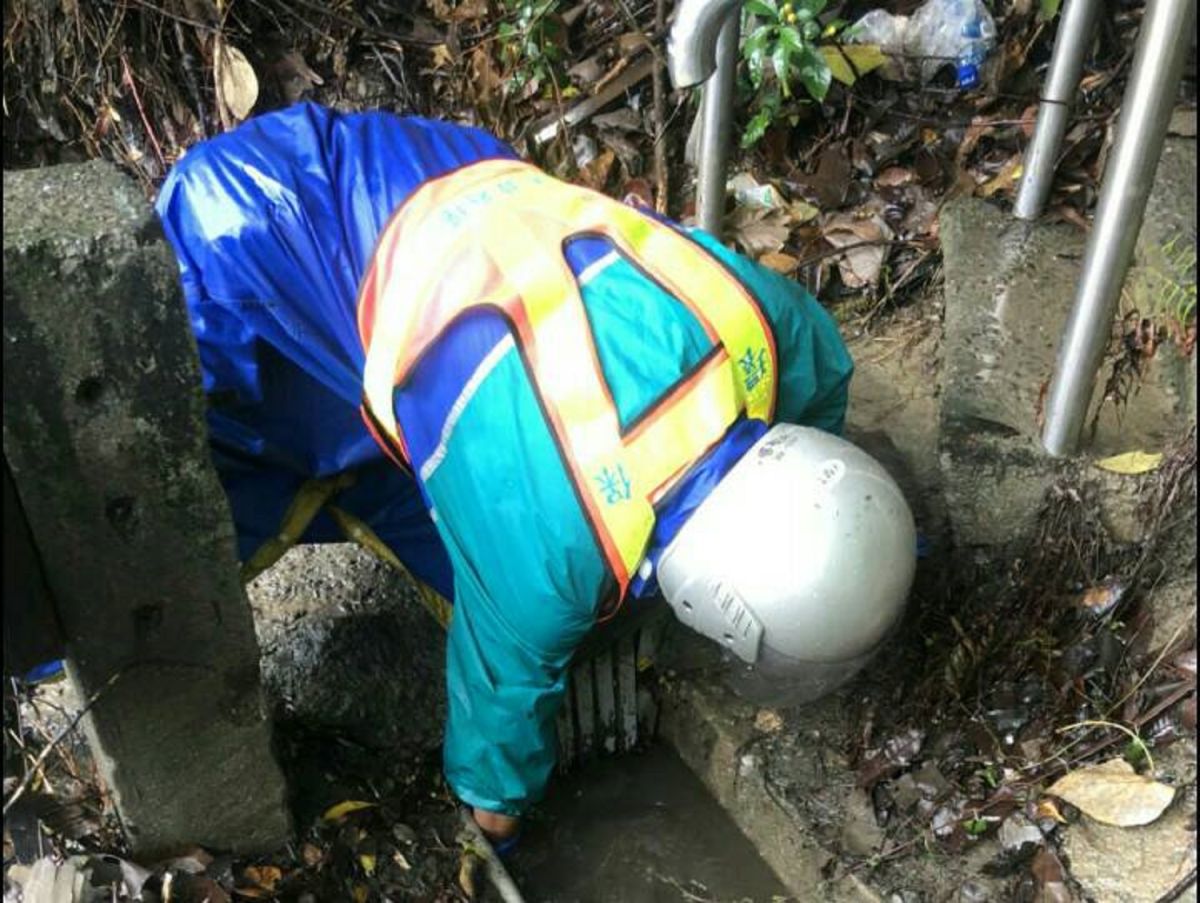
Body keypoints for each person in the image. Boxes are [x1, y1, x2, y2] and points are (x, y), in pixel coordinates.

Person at [156, 102, 916, 849]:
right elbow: (498, 701)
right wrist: (495, 823)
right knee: (217, 508)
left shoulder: (771, 323)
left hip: (432, 175)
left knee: (455, 484)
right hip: (245, 266)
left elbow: (822, 381)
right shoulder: (549, 558)